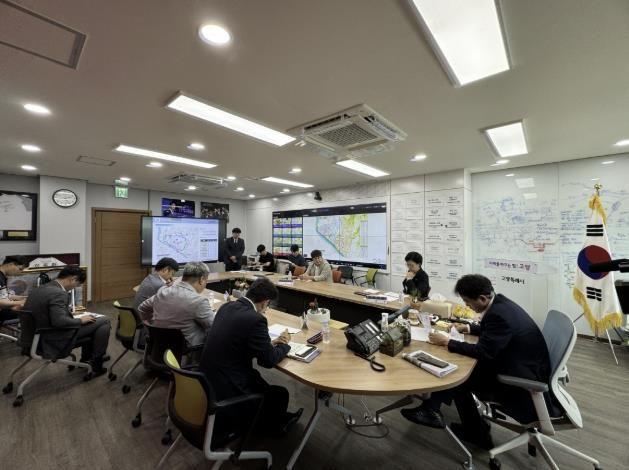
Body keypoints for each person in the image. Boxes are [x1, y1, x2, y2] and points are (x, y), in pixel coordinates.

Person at [401, 274, 551, 450]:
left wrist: (448, 342)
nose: (467, 306)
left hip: (520, 379)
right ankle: (467, 427)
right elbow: (494, 331)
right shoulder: (500, 305)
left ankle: (438, 413)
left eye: (467, 301)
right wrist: (468, 327)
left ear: (482, 298)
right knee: (461, 373)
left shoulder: (499, 316)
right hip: (522, 363)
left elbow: (483, 352)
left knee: (460, 376)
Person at [199, 277, 303, 435]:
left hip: (207, 379)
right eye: (268, 305)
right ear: (265, 302)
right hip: (230, 386)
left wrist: (269, 343)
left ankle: (270, 419)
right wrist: (285, 345)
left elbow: (237, 340)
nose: (266, 309)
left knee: (261, 382)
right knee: (280, 393)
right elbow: (267, 361)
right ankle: (274, 428)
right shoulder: (256, 319)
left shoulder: (227, 306)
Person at [23, 266, 111, 376]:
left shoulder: (40, 288)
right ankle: (96, 363)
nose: (75, 287)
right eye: (77, 284)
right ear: (73, 279)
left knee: (95, 326)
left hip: (33, 338)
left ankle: (90, 359)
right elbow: (59, 322)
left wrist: (69, 315)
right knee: (104, 321)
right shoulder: (59, 293)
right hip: (50, 340)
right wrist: (80, 320)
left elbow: (48, 313)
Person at [138, 261, 214, 347]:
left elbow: (142, 308)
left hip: (159, 345)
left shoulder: (163, 291)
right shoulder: (199, 301)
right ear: (201, 279)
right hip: (188, 349)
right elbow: (214, 327)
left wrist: (152, 327)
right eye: (206, 281)